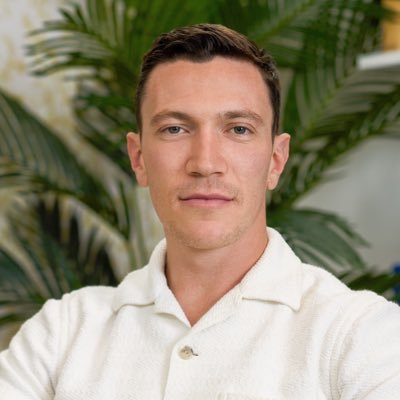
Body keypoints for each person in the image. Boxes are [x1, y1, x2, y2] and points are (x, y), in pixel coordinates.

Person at [0, 23, 399, 400]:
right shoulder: (60, 333)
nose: (205, 163)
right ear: (138, 158)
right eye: (175, 129)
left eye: (238, 129)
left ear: (276, 161)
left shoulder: (361, 335)